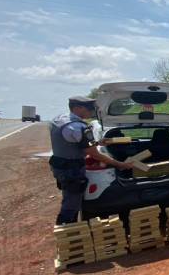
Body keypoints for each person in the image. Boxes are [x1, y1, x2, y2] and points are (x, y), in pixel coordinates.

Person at [49, 95, 133, 225]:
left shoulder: (60, 120)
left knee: (69, 197)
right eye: (88, 108)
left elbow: (77, 142)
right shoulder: (78, 127)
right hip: (72, 169)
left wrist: (98, 142)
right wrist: (120, 164)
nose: (91, 111)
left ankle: (69, 228)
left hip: (60, 165)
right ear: (77, 108)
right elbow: (95, 155)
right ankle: (67, 230)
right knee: (72, 203)